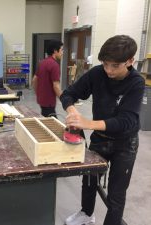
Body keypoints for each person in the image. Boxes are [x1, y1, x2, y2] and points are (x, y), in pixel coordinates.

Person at [60, 35, 145, 225]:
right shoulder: (97, 74)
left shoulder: (136, 83)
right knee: (89, 179)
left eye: (115, 66)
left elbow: (126, 121)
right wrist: (72, 111)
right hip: (100, 137)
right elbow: (68, 94)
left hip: (125, 143)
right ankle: (87, 214)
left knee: (116, 192)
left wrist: (87, 123)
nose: (108, 70)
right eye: (105, 64)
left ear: (130, 61)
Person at [32, 39, 63, 117]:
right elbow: (56, 86)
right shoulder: (54, 65)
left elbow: (34, 80)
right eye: (61, 50)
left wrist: (38, 93)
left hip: (42, 101)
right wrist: (64, 99)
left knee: (47, 122)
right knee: (53, 126)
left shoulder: (42, 62)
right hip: (49, 103)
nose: (62, 52)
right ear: (55, 51)